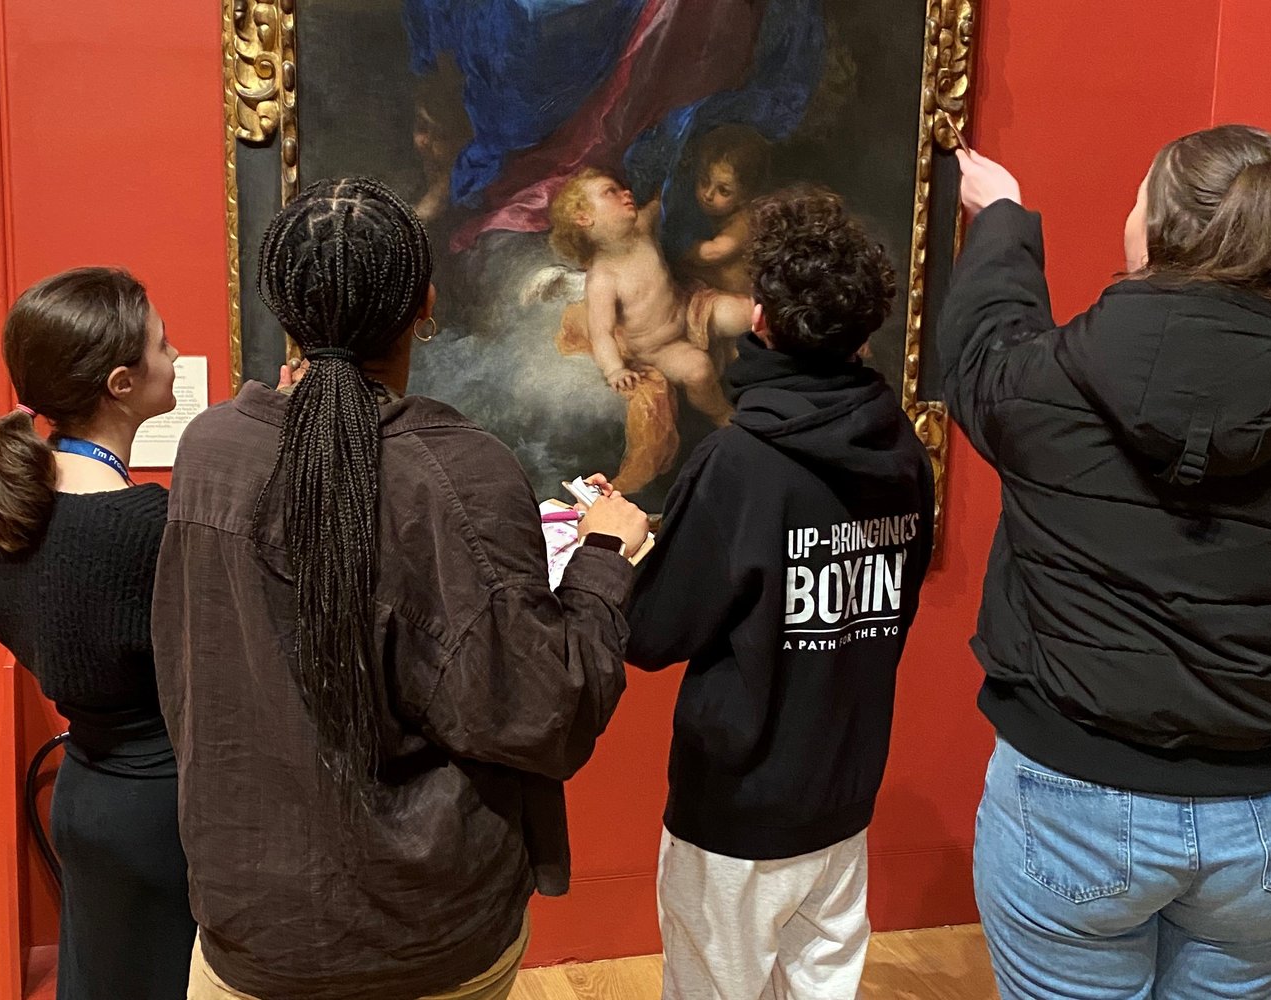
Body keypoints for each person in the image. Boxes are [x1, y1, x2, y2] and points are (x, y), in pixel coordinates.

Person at [152, 177, 651, 1000]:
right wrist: (603, 557)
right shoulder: (459, 474)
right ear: (425, 303)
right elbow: (546, 713)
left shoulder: (210, 452)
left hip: (252, 924)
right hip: (426, 941)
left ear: (284, 309)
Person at [943, 124, 1271, 999]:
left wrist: (1000, 216)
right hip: (1262, 820)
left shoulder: (1045, 386)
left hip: (1074, 801)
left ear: (1157, 229)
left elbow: (977, 348)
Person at [624, 188, 936, 1000]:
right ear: (865, 328)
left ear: (759, 318)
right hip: (842, 790)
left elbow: (652, 633)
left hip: (738, 807)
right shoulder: (902, 450)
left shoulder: (739, 465)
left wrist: (622, 547)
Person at [0, 267, 194, 1000]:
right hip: (162, 811)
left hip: (85, 796)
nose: (178, 354)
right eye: (163, 343)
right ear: (121, 384)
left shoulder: (18, 504)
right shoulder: (142, 524)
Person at [548, 167, 749, 422]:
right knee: (698, 372)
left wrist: (663, 189)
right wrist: (615, 370)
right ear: (584, 217)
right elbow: (602, 333)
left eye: (622, 188)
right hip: (661, 348)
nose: (626, 193)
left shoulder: (641, 227)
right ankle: (721, 413)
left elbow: (660, 201)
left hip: (690, 309)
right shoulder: (603, 278)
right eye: (611, 192)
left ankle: (784, 349)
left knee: (745, 311)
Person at [684, 124, 773, 296]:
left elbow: (714, 253)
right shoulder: (714, 211)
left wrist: (677, 249)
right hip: (718, 285)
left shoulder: (744, 220)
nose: (708, 195)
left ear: (745, 196)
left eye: (723, 191)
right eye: (704, 181)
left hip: (741, 297)